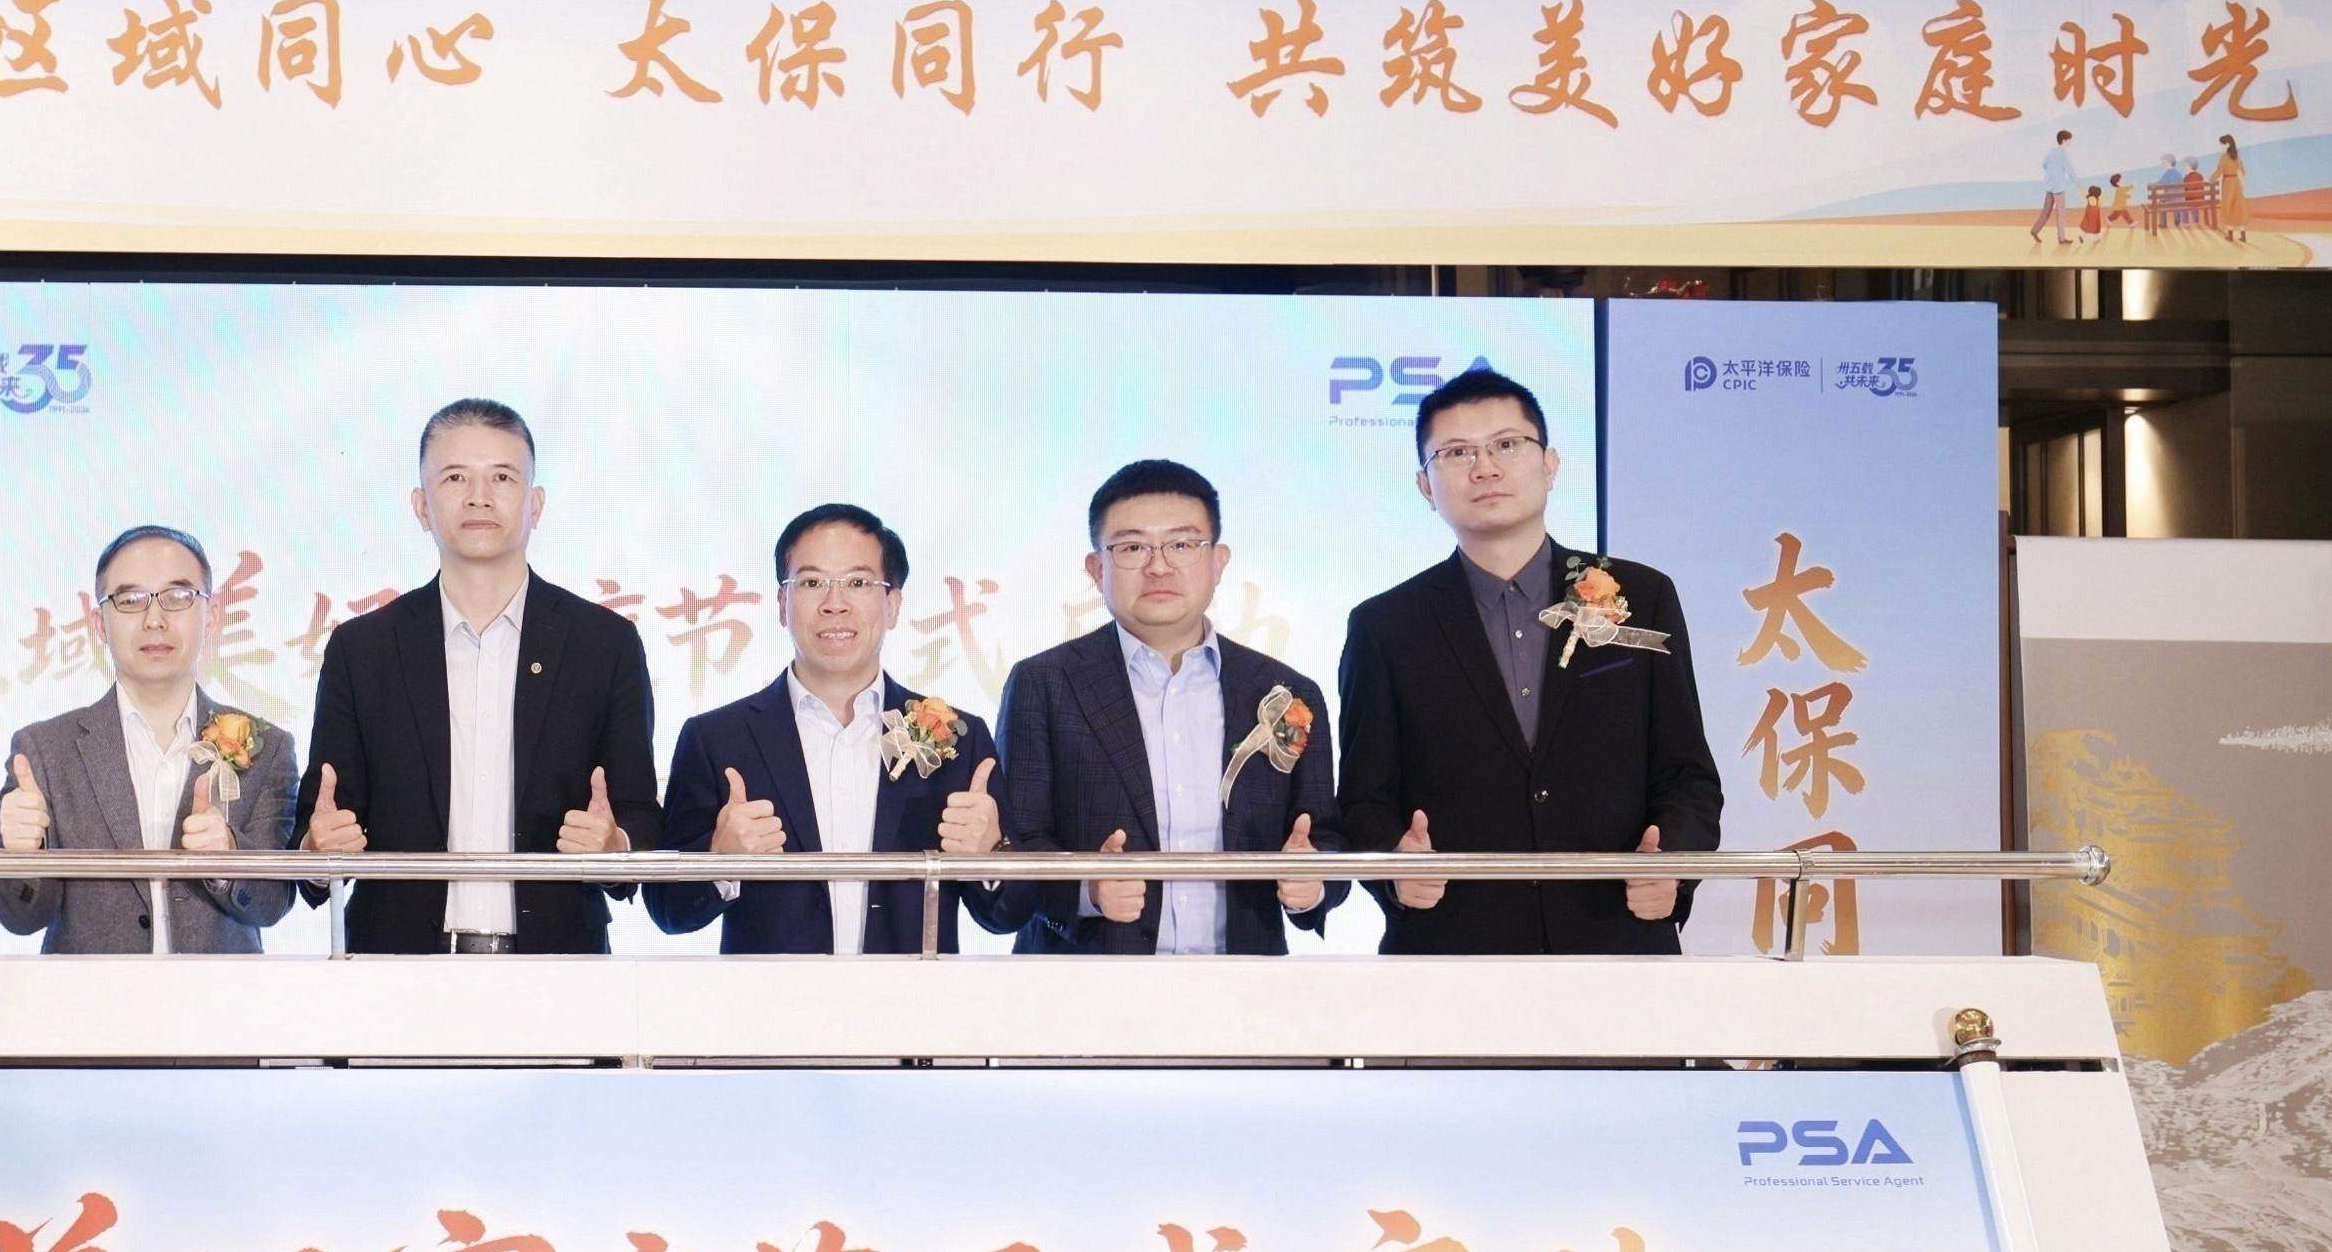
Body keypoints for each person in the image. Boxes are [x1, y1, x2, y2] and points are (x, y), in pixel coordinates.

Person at [1334, 366, 1723, 955]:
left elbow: (1688, 775)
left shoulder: (1642, 595)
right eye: (1456, 452)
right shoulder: (1384, 626)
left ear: (1550, 464)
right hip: (1452, 952)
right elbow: (1364, 798)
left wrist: (1671, 863)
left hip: (1616, 941)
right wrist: (1395, 865)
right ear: (1425, 486)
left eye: (1507, 445)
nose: (1484, 468)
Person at [297, 398, 662, 952]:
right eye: (454, 478)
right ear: (421, 507)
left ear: (535, 504)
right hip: (395, 968)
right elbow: (317, 827)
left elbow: (640, 816)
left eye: (502, 477)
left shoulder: (603, 644)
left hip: (559, 969)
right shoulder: (363, 649)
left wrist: (615, 847)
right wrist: (317, 849)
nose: (479, 496)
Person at [994, 459, 1343, 955]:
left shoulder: (1285, 692)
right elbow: (1018, 840)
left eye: (1182, 545)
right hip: (1085, 980)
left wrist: (1316, 882)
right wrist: (1086, 890)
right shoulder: (1044, 683)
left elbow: (1322, 834)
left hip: (1246, 981)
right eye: (1132, 547)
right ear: (1096, 569)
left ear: (1218, 561)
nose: (1159, 566)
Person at [651, 504, 1014, 953]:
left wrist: (989, 857)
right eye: (811, 583)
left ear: (892, 604)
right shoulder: (716, 738)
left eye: (858, 583)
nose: (834, 603)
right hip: (769, 997)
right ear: (782, 605)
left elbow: (1006, 915)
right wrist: (719, 863)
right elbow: (668, 912)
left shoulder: (956, 735)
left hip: (913, 996)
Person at [0, 524, 303, 953]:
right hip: (88, 994)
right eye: (131, 600)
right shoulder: (44, 750)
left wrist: (228, 857)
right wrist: (21, 857)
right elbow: (19, 919)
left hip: (220, 994)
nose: (155, 620)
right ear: (99, 624)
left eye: (178, 596)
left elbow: (273, 903)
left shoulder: (267, 747)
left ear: (211, 615)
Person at [2030, 128, 2078, 245]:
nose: (2070, 142)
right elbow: (2070, 171)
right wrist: (2078, 183)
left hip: (2050, 186)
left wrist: (2051, 173)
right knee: (2061, 214)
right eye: (2069, 140)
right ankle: (2062, 238)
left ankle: (2034, 231)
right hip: (2058, 188)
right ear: (2064, 140)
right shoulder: (2063, 154)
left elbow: (2044, 164)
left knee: (2046, 212)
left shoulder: (2052, 152)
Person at [2216, 131, 2250, 245]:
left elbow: (2219, 171)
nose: (2220, 146)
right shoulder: (2237, 156)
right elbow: (2241, 171)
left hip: (2228, 183)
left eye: (2222, 144)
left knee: (2229, 207)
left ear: (2227, 144)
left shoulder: (2223, 157)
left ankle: (2230, 234)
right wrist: (2242, 184)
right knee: (2239, 208)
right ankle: (2243, 235)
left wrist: (2211, 180)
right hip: (2236, 183)